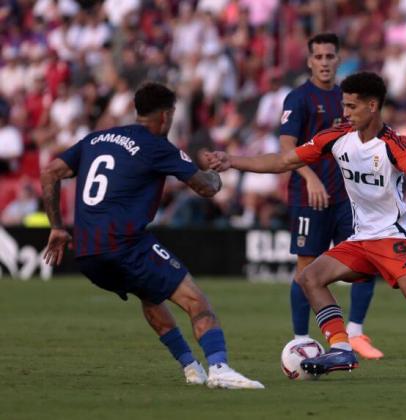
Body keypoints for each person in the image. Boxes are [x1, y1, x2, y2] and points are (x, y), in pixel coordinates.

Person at [208, 72, 406, 382]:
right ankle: (341, 348)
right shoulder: (336, 136)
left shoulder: (392, 143)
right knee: (309, 277)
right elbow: (284, 161)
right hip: (361, 239)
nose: (345, 112)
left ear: (372, 106)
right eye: (344, 105)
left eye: (351, 106)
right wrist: (232, 160)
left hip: (393, 237)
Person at [40, 82, 264, 389]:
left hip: (87, 253)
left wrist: (56, 226)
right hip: (125, 244)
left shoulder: (96, 138)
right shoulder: (158, 146)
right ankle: (220, 367)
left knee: (149, 294)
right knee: (196, 301)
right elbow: (206, 188)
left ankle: (190, 367)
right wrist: (216, 174)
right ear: (166, 115)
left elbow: (50, 172)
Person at [279, 33, 382, 359]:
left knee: (366, 262)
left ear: (339, 60)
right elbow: (286, 149)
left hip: (348, 197)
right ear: (310, 61)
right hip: (311, 198)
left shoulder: (347, 98)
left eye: (330, 56)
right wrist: (310, 177)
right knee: (307, 269)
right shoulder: (298, 99)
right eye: (319, 57)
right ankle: (300, 339)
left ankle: (355, 333)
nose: (324, 62)